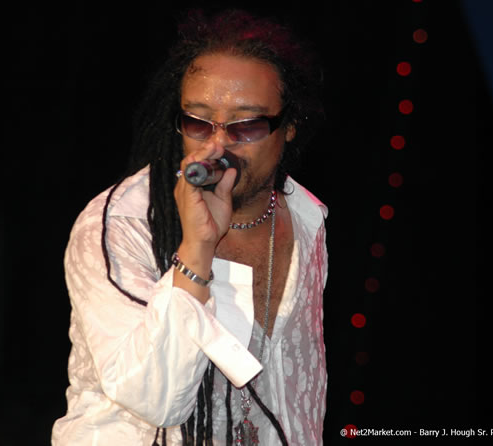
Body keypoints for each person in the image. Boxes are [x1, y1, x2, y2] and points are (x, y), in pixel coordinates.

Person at [52, 9, 328, 446]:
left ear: (289, 126)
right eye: (198, 122)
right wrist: (197, 249)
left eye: (246, 125)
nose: (218, 144)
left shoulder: (307, 218)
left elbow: (299, 394)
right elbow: (155, 400)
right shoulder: (123, 226)